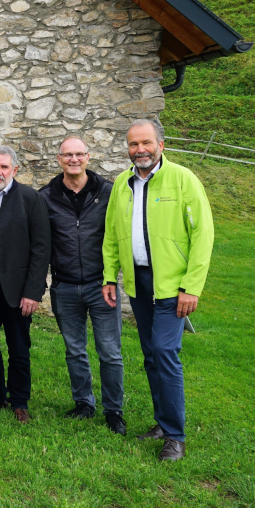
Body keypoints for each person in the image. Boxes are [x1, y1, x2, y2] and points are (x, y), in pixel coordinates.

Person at [102, 119, 214, 461]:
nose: (140, 150)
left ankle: (175, 436)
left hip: (173, 287)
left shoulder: (183, 179)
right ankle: (163, 424)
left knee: (165, 352)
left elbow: (203, 235)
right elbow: (111, 234)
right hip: (139, 285)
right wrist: (109, 277)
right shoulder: (122, 183)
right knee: (151, 355)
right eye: (133, 144)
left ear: (160, 145)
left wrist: (191, 287)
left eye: (146, 143)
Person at [39, 136, 125, 434]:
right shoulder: (46, 196)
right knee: (74, 350)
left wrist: (112, 276)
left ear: (88, 157)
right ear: (59, 159)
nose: (73, 159)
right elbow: (40, 242)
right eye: (67, 155)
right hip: (64, 286)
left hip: (102, 286)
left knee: (110, 351)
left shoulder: (108, 192)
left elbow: (119, 236)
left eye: (79, 154)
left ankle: (114, 410)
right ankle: (84, 404)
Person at [0, 146, 51, 424]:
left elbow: (41, 249)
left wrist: (33, 292)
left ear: (14, 170)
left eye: (4, 167)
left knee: (19, 347)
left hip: (18, 289)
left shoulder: (30, 198)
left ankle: (20, 401)